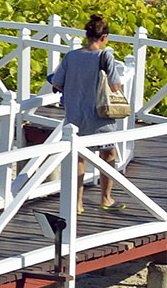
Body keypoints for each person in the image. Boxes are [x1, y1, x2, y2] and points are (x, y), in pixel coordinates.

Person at [46, 14, 133, 212]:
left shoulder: (71, 56)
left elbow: (57, 82)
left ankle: (77, 203)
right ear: (104, 37)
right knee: (108, 153)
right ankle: (106, 198)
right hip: (99, 114)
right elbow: (115, 85)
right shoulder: (105, 56)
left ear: (87, 35)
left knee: (79, 157)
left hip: (75, 113)